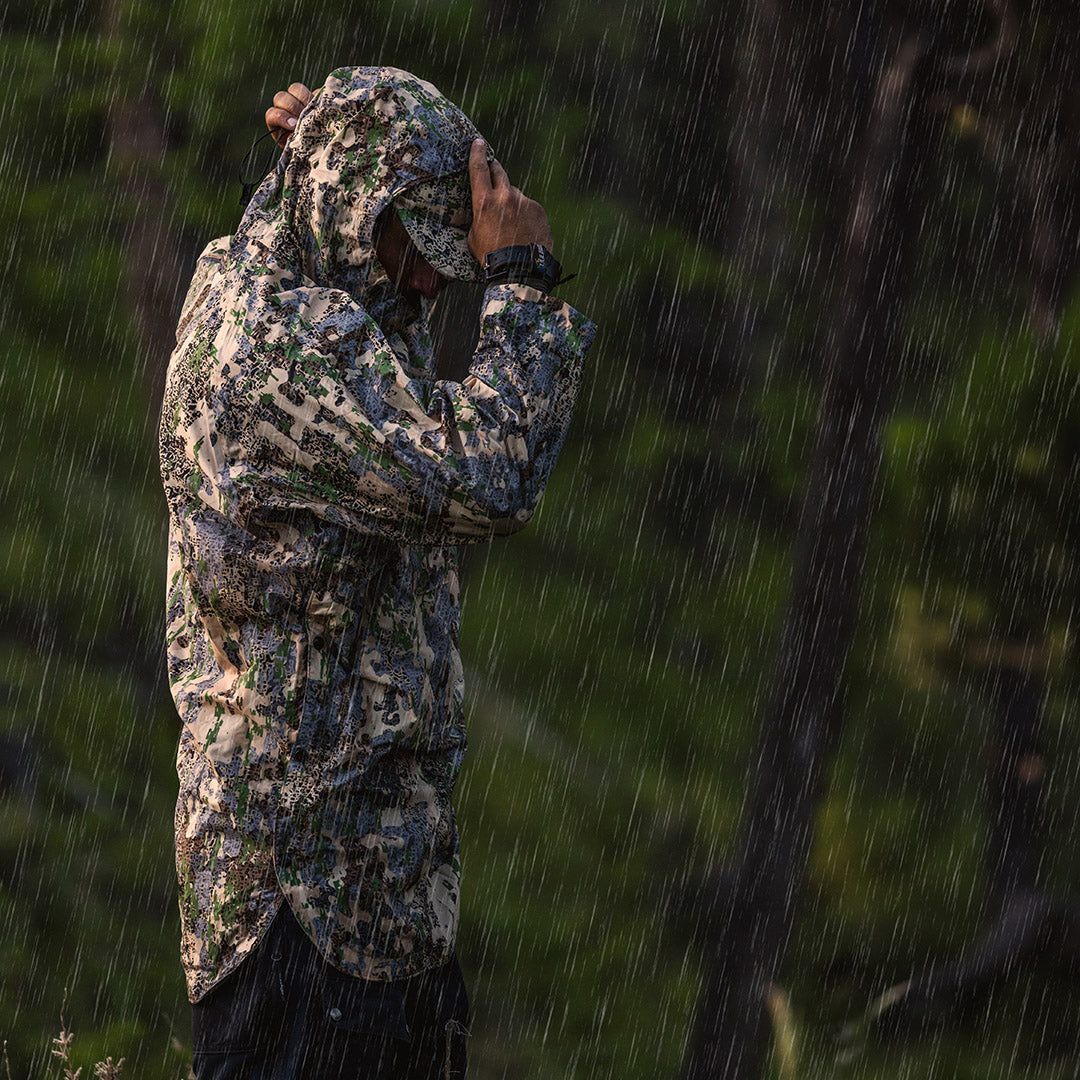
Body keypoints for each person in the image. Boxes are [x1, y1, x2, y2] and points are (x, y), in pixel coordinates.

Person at [159, 66, 596, 1079]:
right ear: (351, 214)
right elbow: (488, 476)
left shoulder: (288, 279)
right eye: (419, 252)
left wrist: (332, 158)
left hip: (363, 901)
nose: (433, 285)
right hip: (307, 910)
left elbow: (374, 343)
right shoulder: (270, 347)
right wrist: (520, 282)